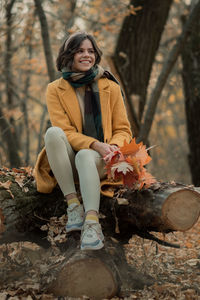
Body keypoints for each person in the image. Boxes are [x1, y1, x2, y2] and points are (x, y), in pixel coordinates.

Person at [34, 31, 132, 250]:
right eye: (80, 51)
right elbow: (65, 131)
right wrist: (93, 143)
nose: (86, 55)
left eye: (90, 51)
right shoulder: (55, 89)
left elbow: (123, 129)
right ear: (69, 55)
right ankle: (73, 205)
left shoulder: (111, 87)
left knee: (88, 154)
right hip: (68, 163)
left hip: (100, 161)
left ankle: (91, 222)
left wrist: (113, 147)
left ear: (96, 55)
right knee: (53, 133)